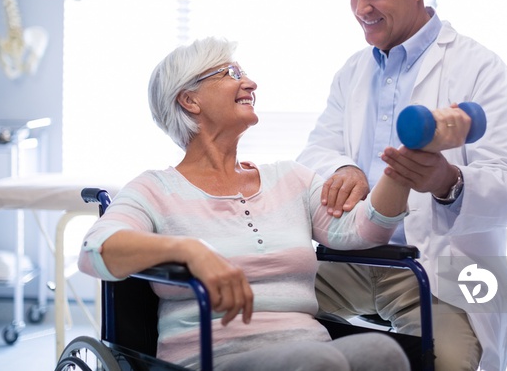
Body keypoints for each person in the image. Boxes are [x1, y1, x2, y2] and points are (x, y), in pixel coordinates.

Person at [78, 37, 472, 370]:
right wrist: (187, 249)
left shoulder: (289, 178)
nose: (250, 82)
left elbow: (362, 231)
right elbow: (93, 251)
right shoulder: (156, 189)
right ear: (190, 100)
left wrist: (404, 163)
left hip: (310, 350)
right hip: (216, 358)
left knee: (381, 353)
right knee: (322, 364)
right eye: (231, 74)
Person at [296, 0, 507, 371]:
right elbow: (315, 152)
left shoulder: (481, 68)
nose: (361, 7)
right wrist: (344, 167)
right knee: (267, 331)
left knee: (449, 364)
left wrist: (449, 181)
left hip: (436, 272)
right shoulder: (353, 71)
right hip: (351, 261)